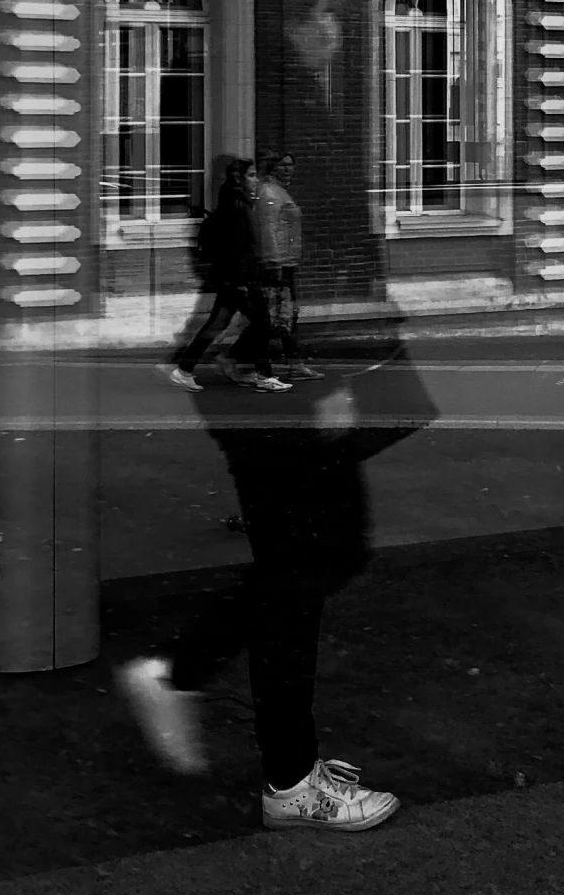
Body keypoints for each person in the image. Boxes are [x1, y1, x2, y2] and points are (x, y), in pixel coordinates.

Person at [115, 370, 400, 833]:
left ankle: (286, 772)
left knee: (301, 569)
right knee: (308, 567)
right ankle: (187, 680)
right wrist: (313, 380)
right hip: (283, 403)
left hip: (279, 398)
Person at [168, 159, 290, 394]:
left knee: (218, 323)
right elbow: (239, 248)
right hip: (240, 279)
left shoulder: (235, 202)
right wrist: (244, 280)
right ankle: (264, 375)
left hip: (232, 277)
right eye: (251, 175)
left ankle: (184, 370)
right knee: (263, 323)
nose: (256, 180)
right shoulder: (238, 206)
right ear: (239, 178)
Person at [254, 152, 320, 381]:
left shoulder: (278, 191)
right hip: (278, 264)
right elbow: (268, 229)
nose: (288, 169)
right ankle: (234, 356)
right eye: (282, 165)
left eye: (291, 165)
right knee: (277, 315)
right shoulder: (269, 193)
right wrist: (274, 262)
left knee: (286, 314)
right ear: (272, 167)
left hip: (286, 262)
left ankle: (294, 361)